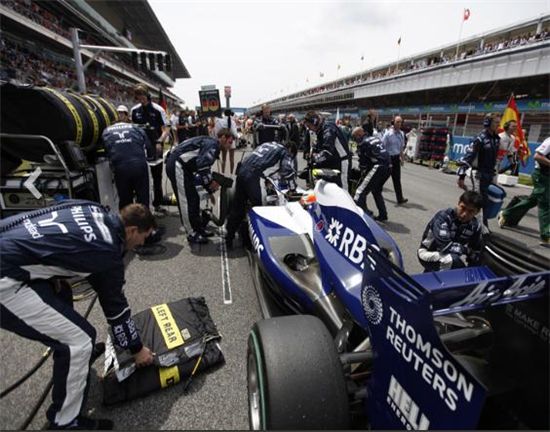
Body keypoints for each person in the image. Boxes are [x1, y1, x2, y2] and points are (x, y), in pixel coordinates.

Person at [0, 202, 156, 430]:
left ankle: (75, 363)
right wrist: (137, 350)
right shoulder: (108, 253)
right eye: (144, 237)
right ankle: (65, 421)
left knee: (62, 289)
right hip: (5, 279)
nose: (142, 243)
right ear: (132, 230)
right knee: (79, 341)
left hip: (7, 242)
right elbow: (117, 311)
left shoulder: (92, 207)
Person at [165, 129, 234, 244]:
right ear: (222, 138)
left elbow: (202, 167)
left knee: (194, 198)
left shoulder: (211, 143)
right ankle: (191, 233)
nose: (230, 146)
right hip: (178, 165)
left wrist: (208, 186)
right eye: (229, 142)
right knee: (186, 201)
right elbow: (202, 167)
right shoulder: (213, 146)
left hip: (184, 167)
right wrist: (210, 183)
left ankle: (198, 228)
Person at [224, 141, 297, 248]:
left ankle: (229, 238)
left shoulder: (268, 144)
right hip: (253, 175)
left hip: (242, 170)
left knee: (238, 207)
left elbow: (256, 160)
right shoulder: (284, 152)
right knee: (258, 209)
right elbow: (288, 171)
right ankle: (252, 241)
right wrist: (293, 189)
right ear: (291, 151)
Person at [498, 136, 550, 247]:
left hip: (548, 177)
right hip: (541, 175)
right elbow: (537, 156)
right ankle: (546, 236)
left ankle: (506, 213)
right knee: (545, 204)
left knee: (533, 200)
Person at [417, 191, 484, 272]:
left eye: (471, 211)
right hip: (427, 253)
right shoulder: (443, 217)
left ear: (477, 212)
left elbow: (476, 251)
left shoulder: (475, 226)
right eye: (463, 208)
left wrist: (473, 265)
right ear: (458, 203)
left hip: (447, 256)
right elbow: (444, 247)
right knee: (455, 263)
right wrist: (466, 250)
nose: (464, 214)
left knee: (478, 264)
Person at [102, 105, 153, 209]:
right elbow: (148, 146)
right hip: (139, 165)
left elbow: (106, 150)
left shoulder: (107, 131)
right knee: (143, 198)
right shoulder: (136, 128)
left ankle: (127, 219)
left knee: (125, 200)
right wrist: (150, 157)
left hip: (120, 167)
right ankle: (144, 218)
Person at [130, 84, 170, 214]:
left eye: (142, 95)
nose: (140, 98)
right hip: (139, 149)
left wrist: (160, 141)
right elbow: (132, 129)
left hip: (155, 147)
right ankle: (142, 206)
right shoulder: (134, 110)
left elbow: (166, 129)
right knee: (141, 178)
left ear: (147, 95)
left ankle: (157, 204)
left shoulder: (158, 109)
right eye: (138, 96)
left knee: (157, 177)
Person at [457, 112, 501, 226]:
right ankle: (479, 227)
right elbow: (468, 157)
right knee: (478, 201)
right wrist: (461, 176)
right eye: (496, 122)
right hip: (478, 174)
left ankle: (477, 225)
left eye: (499, 122)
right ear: (487, 122)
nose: (498, 124)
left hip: (490, 174)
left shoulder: (496, 139)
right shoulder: (479, 139)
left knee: (486, 201)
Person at [303, 111, 350, 190]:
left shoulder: (328, 128)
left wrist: (314, 159)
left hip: (341, 161)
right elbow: (319, 148)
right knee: (330, 187)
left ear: (315, 122)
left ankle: (346, 198)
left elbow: (327, 151)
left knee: (342, 188)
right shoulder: (320, 130)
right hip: (332, 161)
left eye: (309, 125)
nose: (308, 128)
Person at [352, 127, 391, 222]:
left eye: (354, 137)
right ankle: (383, 215)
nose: (354, 140)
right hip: (389, 166)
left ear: (358, 135)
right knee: (376, 190)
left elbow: (363, 165)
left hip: (378, 166)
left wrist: (362, 172)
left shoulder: (363, 143)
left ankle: (364, 217)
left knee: (359, 191)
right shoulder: (375, 138)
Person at [382, 116, 408, 204]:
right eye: (397, 122)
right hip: (388, 159)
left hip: (396, 159)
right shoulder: (388, 134)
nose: (399, 124)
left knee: (397, 179)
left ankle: (400, 198)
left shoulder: (401, 134)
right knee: (384, 177)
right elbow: (382, 146)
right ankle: (376, 189)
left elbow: (401, 148)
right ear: (393, 122)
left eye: (400, 122)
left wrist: (402, 158)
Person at [215, 109, 238, 174]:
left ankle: (223, 173)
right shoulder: (232, 122)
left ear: (224, 113)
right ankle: (231, 174)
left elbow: (217, 132)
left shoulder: (219, 121)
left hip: (223, 140)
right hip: (231, 141)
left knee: (223, 159)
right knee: (232, 159)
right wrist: (237, 136)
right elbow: (234, 133)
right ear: (230, 114)